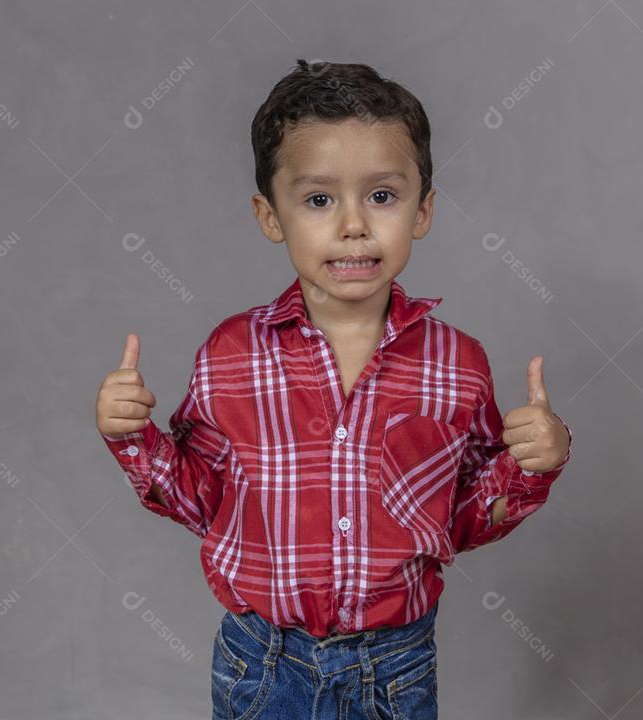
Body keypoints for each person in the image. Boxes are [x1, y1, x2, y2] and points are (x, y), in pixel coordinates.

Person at [95, 58, 573, 720]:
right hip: (262, 663)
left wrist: (530, 467)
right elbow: (203, 500)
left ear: (424, 209)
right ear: (271, 216)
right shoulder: (232, 355)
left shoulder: (456, 364)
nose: (354, 225)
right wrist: (131, 439)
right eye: (319, 199)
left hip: (395, 664)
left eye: (382, 196)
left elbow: (460, 517)